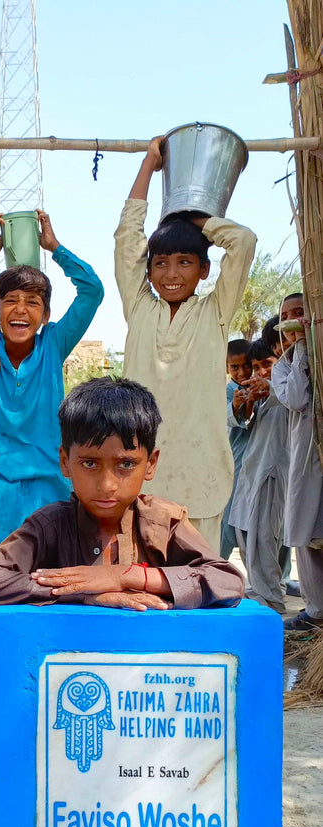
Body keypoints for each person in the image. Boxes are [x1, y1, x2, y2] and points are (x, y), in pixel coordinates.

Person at [0, 210, 104, 640]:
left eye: (32, 302)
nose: (21, 309)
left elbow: (92, 291)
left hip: (43, 492)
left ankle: (33, 663)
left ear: (45, 314)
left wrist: (55, 248)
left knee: (44, 586)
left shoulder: (55, 345)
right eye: (10, 300)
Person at [0, 377, 244, 612]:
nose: (107, 484)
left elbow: (228, 582)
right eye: (89, 463)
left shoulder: (163, 522)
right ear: (64, 462)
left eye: (125, 464)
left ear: (151, 464)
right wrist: (79, 592)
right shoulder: (49, 525)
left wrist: (125, 577)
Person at [116, 135, 257, 553]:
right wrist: (148, 166)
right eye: (160, 262)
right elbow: (127, 239)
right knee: (142, 582)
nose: (171, 273)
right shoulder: (141, 308)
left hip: (202, 475)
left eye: (184, 261)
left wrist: (194, 220)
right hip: (142, 473)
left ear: (204, 269)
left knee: (199, 585)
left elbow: (244, 242)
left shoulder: (214, 312)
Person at [270, 293, 323, 630]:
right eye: (286, 316)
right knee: (306, 534)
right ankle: (316, 610)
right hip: (306, 458)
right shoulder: (283, 366)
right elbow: (297, 398)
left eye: (299, 313)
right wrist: (302, 350)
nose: (292, 321)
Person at [227, 336, 289, 612]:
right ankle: (262, 595)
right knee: (247, 536)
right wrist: (246, 403)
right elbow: (242, 421)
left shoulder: (287, 389)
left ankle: (270, 602)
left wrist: (271, 388)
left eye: (267, 364)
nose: (261, 372)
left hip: (272, 473)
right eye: (257, 367)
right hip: (252, 474)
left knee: (265, 539)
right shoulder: (262, 393)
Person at [221, 336, 253, 560]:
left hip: (257, 463)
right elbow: (227, 419)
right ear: (226, 367)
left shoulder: (261, 387)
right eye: (235, 367)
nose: (241, 372)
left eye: (246, 366)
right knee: (228, 519)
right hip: (234, 463)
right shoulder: (225, 392)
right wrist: (236, 404)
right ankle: (215, 565)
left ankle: (280, 576)